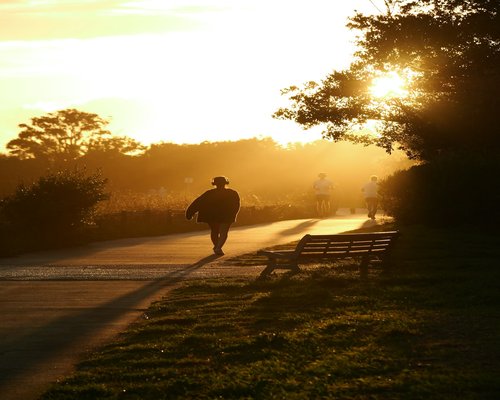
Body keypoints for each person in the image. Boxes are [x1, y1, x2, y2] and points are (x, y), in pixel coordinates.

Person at [185, 176, 240, 255]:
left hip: (212, 216)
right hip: (226, 215)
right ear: (225, 183)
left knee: (214, 231)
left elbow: (198, 202)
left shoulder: (209, 193)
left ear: (214, 183)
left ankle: (217, 247)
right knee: (224, 232)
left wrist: (190, 213)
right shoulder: (232, 193)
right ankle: (218, 247)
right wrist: (233, 214)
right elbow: (236, 205)